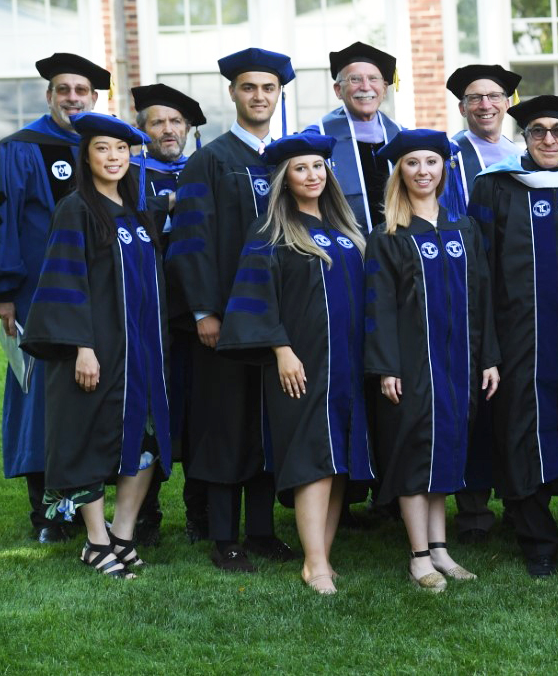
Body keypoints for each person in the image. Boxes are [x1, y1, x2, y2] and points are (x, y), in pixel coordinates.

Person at [0, 52, 110, 543]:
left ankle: (87, 502)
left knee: (90, 393)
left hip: (97, 296)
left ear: (94, 97)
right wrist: (2, 293)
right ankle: (46, 512)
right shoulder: (19, 149)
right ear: (49, 96)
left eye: (81, 91)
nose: (72, 98)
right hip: (34, 296)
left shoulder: (108, 148)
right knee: (37, 399)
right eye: (63, 90)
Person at [216, 132, 373, 595]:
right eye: (301, 169)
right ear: (284, 180)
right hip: (303, 363)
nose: (312, 175)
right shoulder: (271, 234)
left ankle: (320, 558)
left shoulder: (347, 231)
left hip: (348, 363)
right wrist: (281, 350)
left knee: (339, 459)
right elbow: (255, 299)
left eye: (319, 167)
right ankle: (315, 563)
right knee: (313, 459)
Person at [468, 94, 558, 578]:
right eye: (537, 131)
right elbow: (481, 273)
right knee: (520, 434)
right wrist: (488, 344)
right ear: (524, 137)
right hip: (520, 340)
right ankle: (537, 542)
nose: (548, 139)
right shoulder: (495, 188)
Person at [21, 112, 170, 578]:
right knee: (89, 437)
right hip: (98, 349)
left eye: (121, 149)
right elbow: (66, 280)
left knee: (145, 441)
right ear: (86, 156)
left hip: (141, 353)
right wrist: (81, 345)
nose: (114, 157)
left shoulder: (137, 213)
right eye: (103, 148)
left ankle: (122, 534)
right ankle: (95, 541)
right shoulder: (77, 209)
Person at [168, 47, 299, 572]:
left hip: (279, 320)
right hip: (223, 317)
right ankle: (224, 535)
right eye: (249, 87)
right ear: (233, 93)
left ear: (279, 93)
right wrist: (203, 310)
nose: (259, 96)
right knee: (224, 423)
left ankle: (263, 531)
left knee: (268, 421)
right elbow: (192, 241)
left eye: (268, 88)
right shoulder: (211, 160)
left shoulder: (292, 159)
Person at [364, 129, 501, 591]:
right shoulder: (388, 236)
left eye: (431, 162)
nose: (423, 171)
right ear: (398, 172)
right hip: (412, 365)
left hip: (459, 363)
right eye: (412, 163)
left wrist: (488, 359)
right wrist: (386, 366)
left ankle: (441, 549)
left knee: (448, 449)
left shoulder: (464, 229)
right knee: (413, 453)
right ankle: (418, 555)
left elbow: (482, 298)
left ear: (445, 169)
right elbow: (378, 307)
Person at [444, 64, 524, 543]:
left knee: (513, 402)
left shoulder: (523, 156)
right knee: (473, 398)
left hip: (516, 296)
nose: (486, 105)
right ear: (462, 107)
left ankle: (519, 500)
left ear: (508, 102)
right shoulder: (449, 156)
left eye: (494, 96)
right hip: (468, 292)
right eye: (475, 98)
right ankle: (473, 510)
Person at [129, 82, 208, 546]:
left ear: (189, 127)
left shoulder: (203, 170)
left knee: (199, 413)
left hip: (195, 312)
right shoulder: (128, 171)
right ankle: (145, 512)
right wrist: (164, 204)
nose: (168, 129)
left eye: (176, 121)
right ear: (143, 129)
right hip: (146, 311)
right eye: (157, 121)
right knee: (149, 411)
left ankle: (200, 511)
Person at [311, 41, 403, 232]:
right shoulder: (317, 138)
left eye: (373, 79)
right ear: (338, 90)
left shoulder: (402, 137)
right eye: (355, 79)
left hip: (399, 249)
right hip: (342, 248)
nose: (365, 87)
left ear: (384, 88)